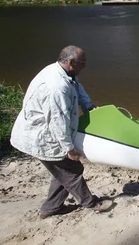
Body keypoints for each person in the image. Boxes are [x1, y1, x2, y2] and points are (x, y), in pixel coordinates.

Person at [10, 45, 113, 219]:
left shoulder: (65, 73)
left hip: (47, 131)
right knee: (72, 169)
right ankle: (91, 203)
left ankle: (51, 208)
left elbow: (77, 89)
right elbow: (58, 120)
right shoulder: (56, 86)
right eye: (83, 64)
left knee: (62, 171)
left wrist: (89, 107)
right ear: (71, 62)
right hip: (41, 135)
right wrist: (68, 148)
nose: (84, 67)